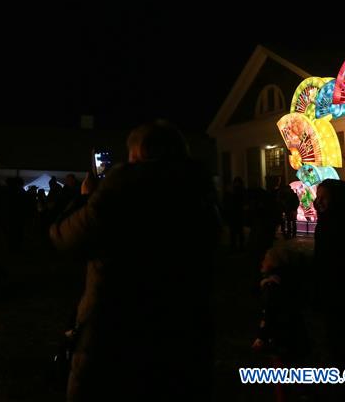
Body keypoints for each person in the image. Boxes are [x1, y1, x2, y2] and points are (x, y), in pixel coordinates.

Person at [49, 120, 219, 401]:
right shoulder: (199, 195)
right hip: (184, 328)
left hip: (116, 330)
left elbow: (64, 237)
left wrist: (83, 200)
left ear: (138, 154)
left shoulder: (119, 193)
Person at [313, 179, 345, 370]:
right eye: (318, 197)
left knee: (339, 338)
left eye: (324, 197)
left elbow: (334, 262)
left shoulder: (337, 225)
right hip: (332, 290)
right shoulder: (330, 221)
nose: (318, 202)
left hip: (339, 291)